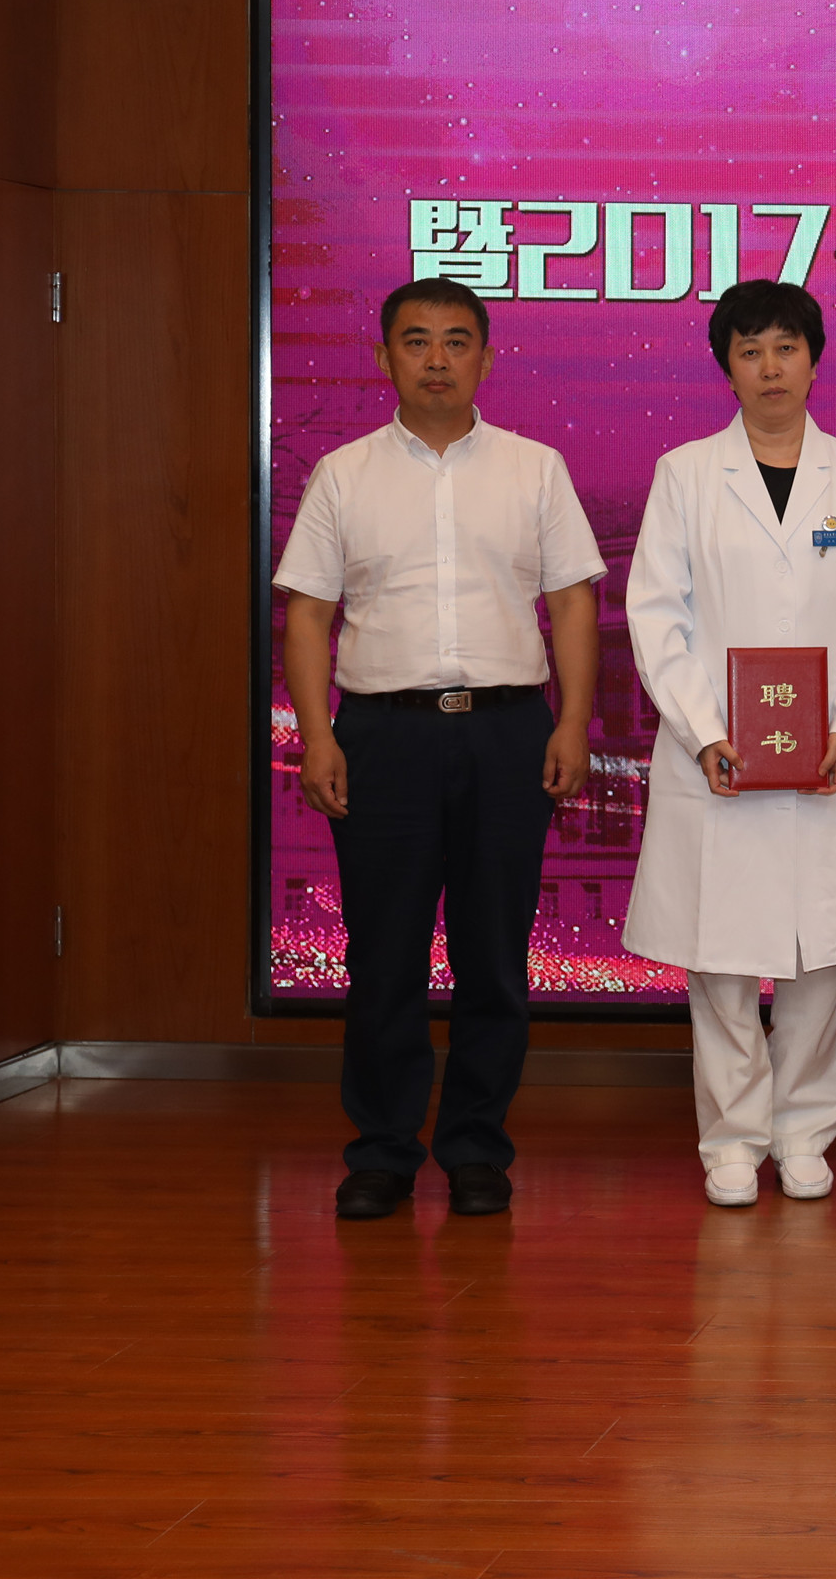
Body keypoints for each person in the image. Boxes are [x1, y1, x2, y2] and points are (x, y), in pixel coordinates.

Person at [274, 277, 603, 1221]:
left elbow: (573, 601)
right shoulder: (344, 474)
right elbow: (309, 615)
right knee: (384, 956)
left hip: (507, 730)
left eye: (457, 341)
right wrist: (317, 734)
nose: (436, 359)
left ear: (487, 358)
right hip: (384, 736)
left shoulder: (535, 469)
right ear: (384, 356)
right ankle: (382, 1150)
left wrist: (571, 721)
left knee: (493, 955)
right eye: (416, 341)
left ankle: (475, 1148)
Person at [622, 281, 836, 1208]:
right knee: (721, 954)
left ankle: (805, 1129)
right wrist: (704, 730)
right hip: (722, 759)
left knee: (823, 950)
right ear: (727, 368)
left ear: (815, 362)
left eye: (787, 348)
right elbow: (656, 613)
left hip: (829, 756)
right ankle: (734, 1138)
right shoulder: (685, 475)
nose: (770, 367)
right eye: (750, 351)